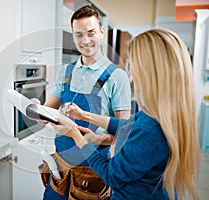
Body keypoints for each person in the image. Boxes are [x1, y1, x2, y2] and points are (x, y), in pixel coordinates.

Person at [54, 28, 200, 200]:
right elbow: (127, 125)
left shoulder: (152, 128)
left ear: (151, 71)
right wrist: (84, 115)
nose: (130, 73)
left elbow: (111, 174)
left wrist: (76, 136)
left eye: (134, 65)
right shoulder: (163, 114)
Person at [39, 5, 132, 200]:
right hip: (59, 170)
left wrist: (96, 139)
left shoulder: (117, 77)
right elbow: (46, 113)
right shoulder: (65, 71)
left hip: (92, 173)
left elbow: (124, 132)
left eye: (90, 33)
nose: (85, 40)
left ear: (101, 32)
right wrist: (34, 108)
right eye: (78, 34)